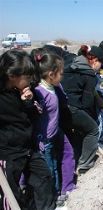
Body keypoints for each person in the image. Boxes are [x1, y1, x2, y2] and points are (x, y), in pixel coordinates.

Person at [0, 49, 56, 209]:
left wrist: (28, 103)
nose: (31, 80)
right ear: (11, 76)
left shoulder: (25, 92)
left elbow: (36, 115)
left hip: (29, 149)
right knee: (10, 195)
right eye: (27, 77)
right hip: (8, 154)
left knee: (43, 178)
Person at [31, 51, 76, 205]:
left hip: (56, 132)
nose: (62, 77)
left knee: (61, 158)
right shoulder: (40, 93)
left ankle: (63, 190)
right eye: (61, 74)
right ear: (51, 74)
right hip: (46, 140)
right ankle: (55, 197)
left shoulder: (52, 87)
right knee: (50, 170)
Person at [61, 46, 103, 173]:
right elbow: (87, 103)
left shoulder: (70, 64)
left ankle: (72, 162)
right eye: (100, 64)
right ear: (95, 61)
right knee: (92, 130)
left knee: (72, 134)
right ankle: (84, 164)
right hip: (73, 107)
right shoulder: (89, 74)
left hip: (60, 105)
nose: (100, 68)